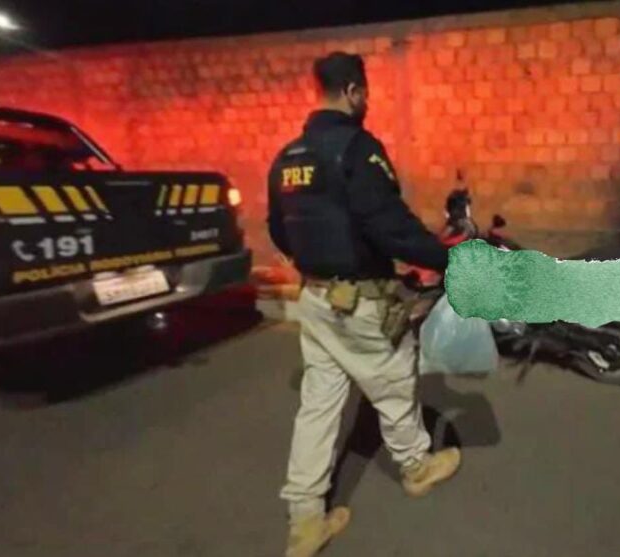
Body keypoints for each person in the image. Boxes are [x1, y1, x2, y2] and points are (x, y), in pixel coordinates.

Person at [267, 52, 460, 557]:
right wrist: (449, 258)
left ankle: (305, 519)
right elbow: (389, 226)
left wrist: (318, 261)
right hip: (361, 303)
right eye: (365, 92)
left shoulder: (287, 158)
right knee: (393, 386)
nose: (367, 101)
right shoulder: (356, 149)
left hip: (314, 300)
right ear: (354, 91)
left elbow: (278, 230)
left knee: (318, 406)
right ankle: (417, 466)